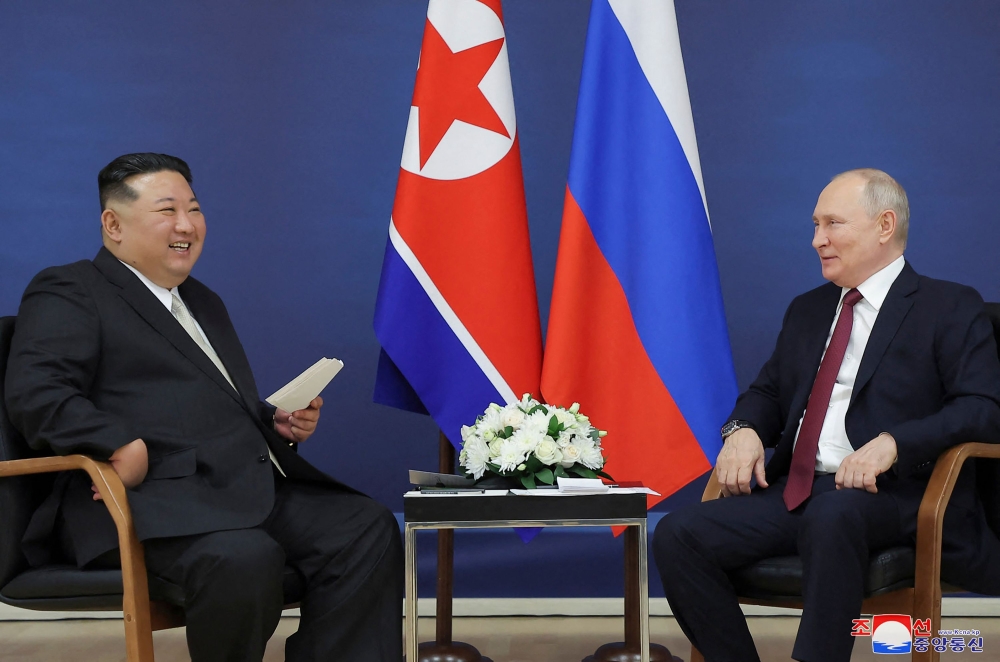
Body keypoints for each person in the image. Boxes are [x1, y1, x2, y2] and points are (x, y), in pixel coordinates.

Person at [5, 153, 403, 662]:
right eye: (167, 210)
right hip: (145, 506)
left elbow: (195, 407)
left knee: (364, 526)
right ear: (113, 224)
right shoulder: (70, 289)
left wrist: (271, 421)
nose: (187, 225)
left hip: (231, 490)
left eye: (194, 209)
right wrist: (115, 443)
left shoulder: (201, 300)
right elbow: (36, 393)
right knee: (243, 557)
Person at [653, 169, 1000, 662]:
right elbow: (766, 394)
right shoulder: (808, 310)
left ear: (884, 225)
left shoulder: (949, 307)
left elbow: (982, 410)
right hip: (800, 491)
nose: (817, 240)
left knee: (833, 514)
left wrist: (895, 443)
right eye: (815, 225)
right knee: (678, 534)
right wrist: (744, 430)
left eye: (833, 224)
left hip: (896, 496)